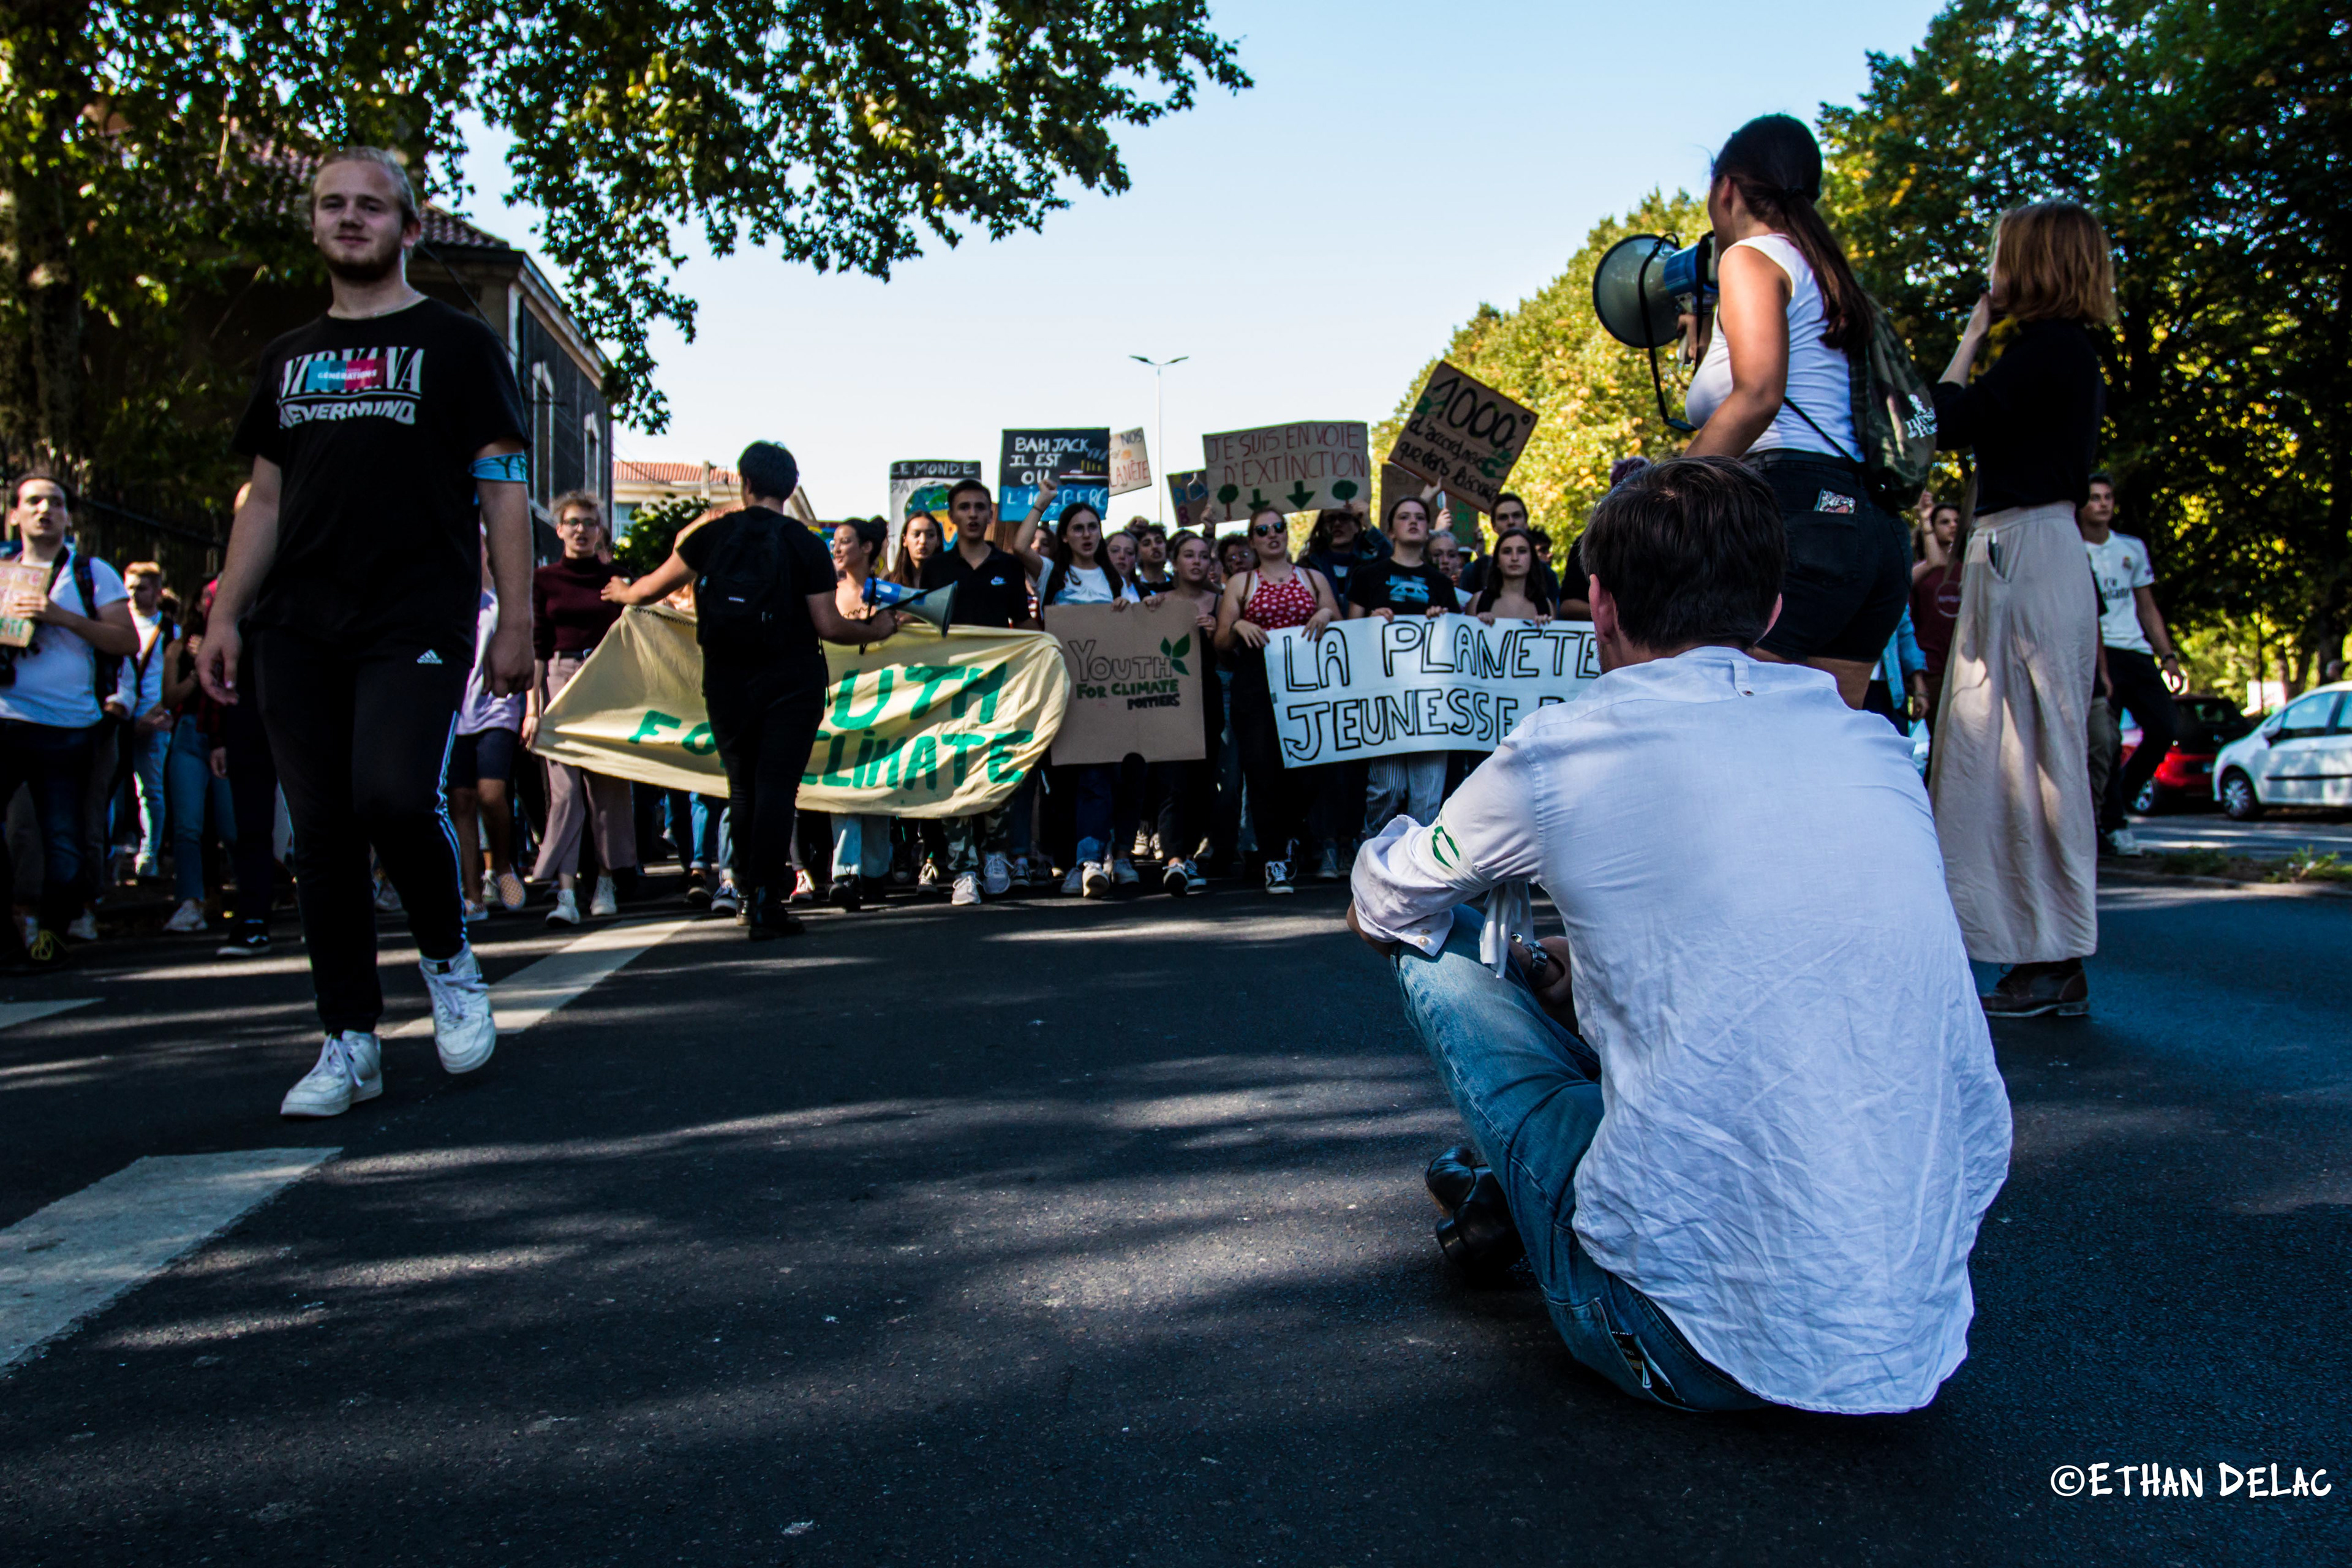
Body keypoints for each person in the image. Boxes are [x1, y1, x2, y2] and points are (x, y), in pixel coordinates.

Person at [1346, 454, 2010, 1415]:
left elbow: (1386, 905)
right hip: (1912, 1337)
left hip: (1671, 1338)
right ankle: (1505, 1194)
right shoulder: (1870, 745)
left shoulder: (1560, 747)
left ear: (1602, 605)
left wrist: (1381, 897)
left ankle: (1520, 1200)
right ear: (1773, 608)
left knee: (1431, 949)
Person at [200, 146, 527, 1115]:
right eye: (333, 205)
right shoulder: (287, 358)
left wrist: (513, 616)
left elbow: (503, 485)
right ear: (313, 224)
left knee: (392, 795)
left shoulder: (459, 344)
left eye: (372, 207)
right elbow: (263, 499)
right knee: (325, 835)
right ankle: (348, 1038)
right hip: (295, 620)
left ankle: (447, 959)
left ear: (409, 228)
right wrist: (223, 613)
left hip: (413, 610)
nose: (351, 219)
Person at [1928, 200, 2114, 1018]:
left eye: (2005, 256)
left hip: (2028, 552)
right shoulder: (2058, 355)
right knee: (2006, 755)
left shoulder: (2051, 353)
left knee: (2035, 758)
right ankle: (2038, 949)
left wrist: (1972, 334)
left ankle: (2055, 953)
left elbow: (1948, 419)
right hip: (2023, 551)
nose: (1993, 270)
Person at [605, 442, 897, 937]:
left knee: (741, 788)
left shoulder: (712, 536)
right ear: (790, 488)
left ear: (744, 482)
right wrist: (878, 631)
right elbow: (827, 624)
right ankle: (768, 900)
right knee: (778, 788)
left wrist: (621, 592)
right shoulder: (805, 544)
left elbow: (651, 588)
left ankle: (743, 893)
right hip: (792, 680)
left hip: (727, 678)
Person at [1682, 114, 1908, 709]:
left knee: (1738, 722)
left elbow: (1758, 394)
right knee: (1826, 743)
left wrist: (1665, 487)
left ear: (1726, 188)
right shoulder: (1832, 273)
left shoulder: (1750, 259)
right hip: (1873, 530)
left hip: (1798, 516)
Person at [0, 472, 138, 970]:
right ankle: (9, 935)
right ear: (14, 513)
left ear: (67, 516)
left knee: (63, 836)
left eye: (55, 503)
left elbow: (126, 643)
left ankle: (52, 937)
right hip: (6, 717)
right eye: (33, 502)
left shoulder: (90, 572)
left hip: (66, 728)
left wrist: (61, 617)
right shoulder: (0, 569)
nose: (44, 510)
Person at [918, 477, 1036, 905]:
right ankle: (964, 869)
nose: (972, 514)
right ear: (952, 516)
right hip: (948, 689)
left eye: (979, 507)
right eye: (964, 507)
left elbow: (1023, 625)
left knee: (998, 768)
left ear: (990, 514)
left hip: (998, 687)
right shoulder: (935, 569)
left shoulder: (1008, 566)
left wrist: (1052, 642)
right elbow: (923, 627)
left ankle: (995, 857)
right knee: (953, 774)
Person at [1212, 502, 1339, 894]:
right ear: (1253, 540)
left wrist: (1324, 616)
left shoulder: (1313, 577)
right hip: (1256, 686)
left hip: (1308, 686)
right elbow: (1220, 641)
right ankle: (1274, 860)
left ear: (1287, 532)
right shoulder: (1241, 583)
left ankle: (1290, 836)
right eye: (1263, 530)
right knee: (1263, 772)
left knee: (1309, 773)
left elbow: (1338, 613)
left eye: (1278, 527)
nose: (1272, 535)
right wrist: (1239, 624)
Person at [526, 491, 635, 926]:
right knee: (566, 792)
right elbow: (536, 647)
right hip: (558, 679)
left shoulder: (618, 578)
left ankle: (606, 881)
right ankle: (566, 892)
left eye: (590, 523)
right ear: (559, 529)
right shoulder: (543, 580)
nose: (582, 530)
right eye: (573, 522)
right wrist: (533, 709)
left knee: (606, 788)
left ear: (600, 530)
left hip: (607, 681)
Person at [1035, 502, 1143, 896]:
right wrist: (1041, 502)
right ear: (1064, 536)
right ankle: (1071, 862)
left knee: (1100, 777)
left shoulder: (1116, 579)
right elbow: (1017, 550)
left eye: (1092, 527)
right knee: (1064, 782)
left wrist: (1125, 610)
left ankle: (1091, 861)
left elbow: (1137, 626)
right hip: (1062, 695)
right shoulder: (1053, 573)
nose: (1086, 534)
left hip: (1107, 697)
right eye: (1077, 528)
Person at [2078, 474, 2184, 856]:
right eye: (2094, 498)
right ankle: (2114, 825)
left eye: (2108, 497)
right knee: (2106, 741)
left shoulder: (2131, 548)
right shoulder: (2072, 550)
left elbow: (2147, 605)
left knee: (2164, 728)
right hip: (2095, 653)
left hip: (2136, 651)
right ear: (2081, 505)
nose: (2103, 504)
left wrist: (2167, 656)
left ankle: (2121, 797)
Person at [1349, 492, 1463, 832]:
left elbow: (1457, 642)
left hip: (1431, 703)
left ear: (1428, 529)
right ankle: (1373, 853)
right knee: (1388, 788)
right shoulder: (1368, 576)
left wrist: (1442, 619)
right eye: (1404, 516)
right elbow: (1349, 636)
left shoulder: (1441, 583)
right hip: (1386, 699)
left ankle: (1417, 872)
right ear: (1391, 531)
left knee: (1427, 796)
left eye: (1420, 517)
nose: (1414, 521)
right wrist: (1371, 619)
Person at [1138, 532, 1223, 895]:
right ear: (1174, 561)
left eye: (1204, 556)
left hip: (1208, 701)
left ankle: (1188, 853)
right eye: (1189, 555)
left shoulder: (1222, 602)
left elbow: (1233, 656)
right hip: (1168, 702)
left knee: (1203, 782)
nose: (1197, 562)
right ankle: (1173, 859)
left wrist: (1219, 634)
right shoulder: (1157, 602)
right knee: (1171, 781)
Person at [824, 516, 897, 910]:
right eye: (835, 542)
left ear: (867, 548)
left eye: (845, 541)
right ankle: (845, 873)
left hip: (886, 707)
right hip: (838, 707)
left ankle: (874, 873)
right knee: (843, 791)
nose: (837, 549)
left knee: (878, 788)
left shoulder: (890, 594)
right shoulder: (827, 595)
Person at [451, 579, 526, 921]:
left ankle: (502, 865)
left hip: (497, 708)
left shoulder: (499, 605)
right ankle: (471, 893)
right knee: (461, 800)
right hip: (452, 713)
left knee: (492, 794)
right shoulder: (439, 601)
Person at [118, 562, 179, 883]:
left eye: (140, 587)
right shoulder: (116, 623)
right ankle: (113, 852)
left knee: (150, 789)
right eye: (129, 586)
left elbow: (176, 677)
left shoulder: (172, 632)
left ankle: (149, 854)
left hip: (153, 720)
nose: (133, 593)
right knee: (111, 789)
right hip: (119, 718)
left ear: (156, 592)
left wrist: (159, 713)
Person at [1909, 500, 1964, 731]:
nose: (1952, 526)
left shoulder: (1970, 568)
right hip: (1933, 670)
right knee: (1941, 736)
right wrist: (1918, 679)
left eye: (1957, 522)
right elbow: (1907, 626)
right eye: (1944, 522)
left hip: (1965, 669)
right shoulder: (1921, 572)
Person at [1300, 503, 1382, 605]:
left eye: (1344, 518)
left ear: (1357, 526)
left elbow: (1392, 557)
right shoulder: (1306, 567)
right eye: (1330, 519)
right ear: (1322, 528)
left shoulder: (1372, 564)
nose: (1337, 524)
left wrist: (1369, 525)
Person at [1469, 527, 1553, 624]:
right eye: (1507, 551)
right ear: (1497, 561)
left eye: (1522, 551)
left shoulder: (1546, 605)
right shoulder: (1478, 601)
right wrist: (1479, 624)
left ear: (1532, 559)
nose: (1515, 558)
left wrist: (1545, 627)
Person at [891, 511, 943, 588]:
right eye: (916, 535)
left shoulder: (948, 582)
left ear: (938, 541)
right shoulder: (891, 582)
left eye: (930, 535)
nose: (923, 541)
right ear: (904, 540)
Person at [1129, 521, 1172, 595]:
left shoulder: (1179, 585)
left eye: (1159, 542)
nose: (1154, 547)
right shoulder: (1132, 587)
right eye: (1147, 544)